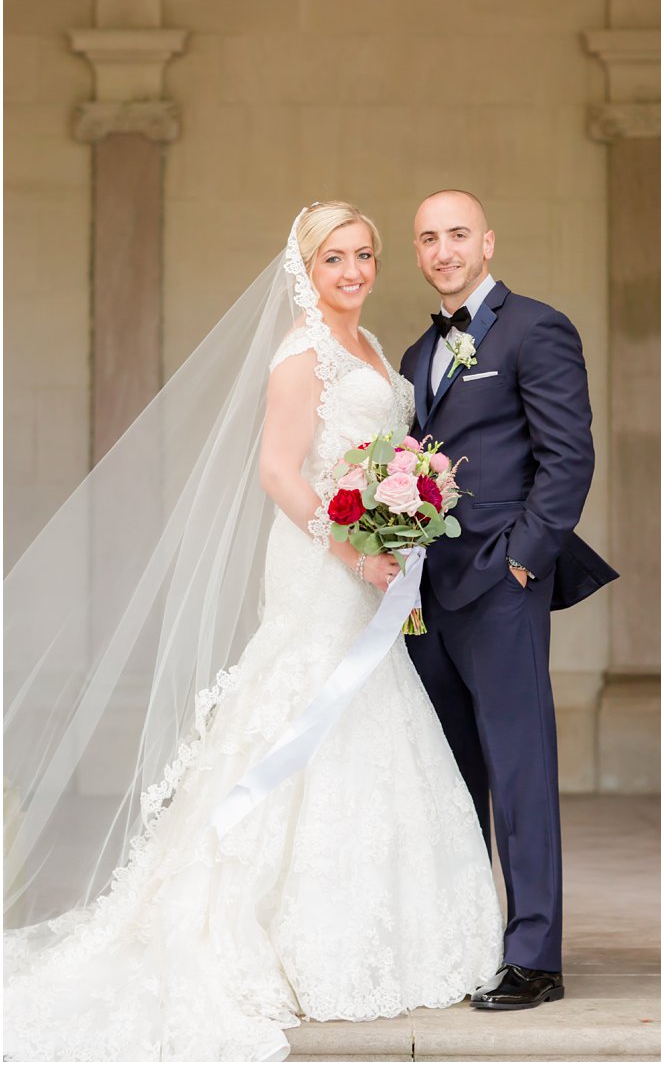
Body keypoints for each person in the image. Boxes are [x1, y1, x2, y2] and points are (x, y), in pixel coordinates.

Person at [4, 203, 501, 1061]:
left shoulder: (377, 351)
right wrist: (355, 550)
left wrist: (403, 522)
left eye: (365, 255)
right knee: (305, 702)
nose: (352, 271)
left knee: (371, 713)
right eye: (334, 259)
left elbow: (390, 455)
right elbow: (278, 470)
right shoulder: (300, 356)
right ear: (305, 270)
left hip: (371, 564)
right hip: (320, 564)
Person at [398, 190, 615, 1013]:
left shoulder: (537, 328)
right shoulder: (421, 350)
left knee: (520, 769)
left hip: (500, 584)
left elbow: (568, 458)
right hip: (428, 595)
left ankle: (535, 957)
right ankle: (467, 939)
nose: (444, 249)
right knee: (453, 775)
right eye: (428, 238)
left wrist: (523, 562)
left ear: (487, 240)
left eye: (457, 234)